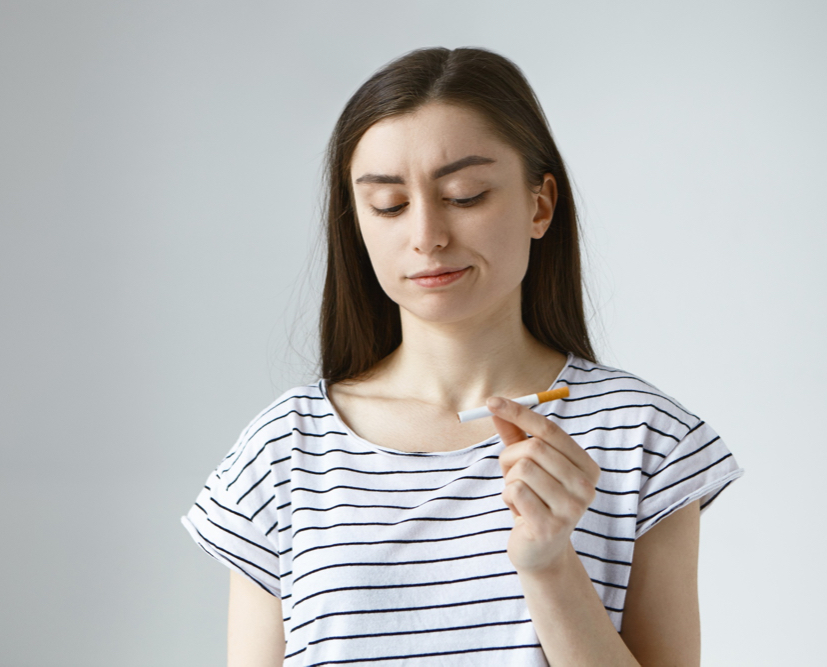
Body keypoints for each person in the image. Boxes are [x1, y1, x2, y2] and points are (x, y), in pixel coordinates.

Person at [181, 46, 743, 667]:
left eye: (466, 195)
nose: (426, 235)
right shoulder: (284, 450)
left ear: (540, 204)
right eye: (389, 205)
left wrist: (551, 567)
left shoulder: (645, 437)